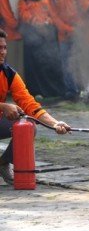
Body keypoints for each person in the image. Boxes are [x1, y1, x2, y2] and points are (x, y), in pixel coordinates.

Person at [0, 28, 71, 185]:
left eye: (5, 48)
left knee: (29, 125)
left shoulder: (9, 74)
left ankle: (4, 163)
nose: (3, 52)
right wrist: (3, 106)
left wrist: (55, 124)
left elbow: (30, 104)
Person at [18, 0, 66, 98]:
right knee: (35, 66)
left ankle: (55, 91)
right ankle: (37, 91)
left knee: (50, 62)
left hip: (48, 33)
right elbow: (23, 13)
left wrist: (47, 21)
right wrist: (35, 22)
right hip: (32, 35)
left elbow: (53, 10)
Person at [1, 0, 25, 75]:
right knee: (11, 60)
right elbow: (5, 11)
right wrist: (16, 24)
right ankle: (12, 87)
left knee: (22, 60)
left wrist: (23, 23)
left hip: (24, 29)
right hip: (10, 30)